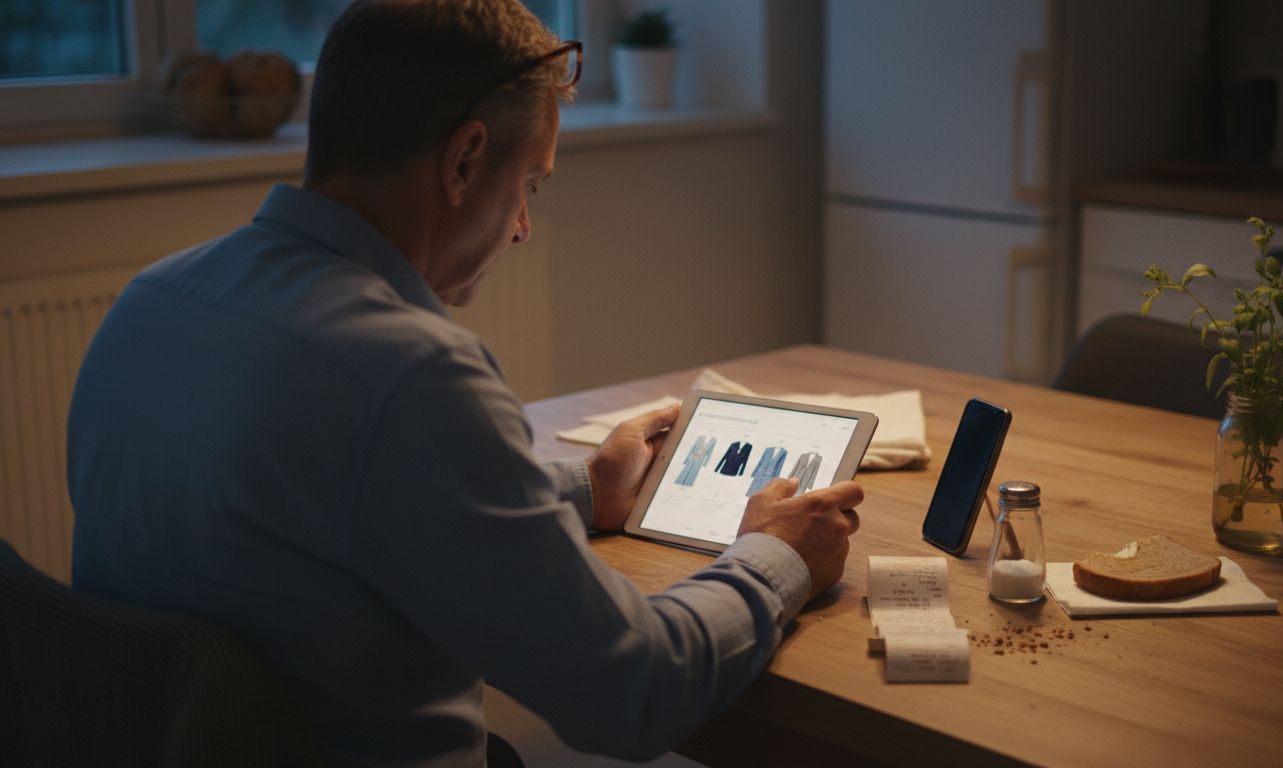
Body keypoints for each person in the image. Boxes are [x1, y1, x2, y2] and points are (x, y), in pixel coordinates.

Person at [66, 1, 864, 765]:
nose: (521, 224)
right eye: (532, 185)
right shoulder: (410, 374)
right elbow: (635, 692)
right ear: (465, 159)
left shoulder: (154, 299)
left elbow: (343, 510)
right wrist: (774, 553)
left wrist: (587, 489)